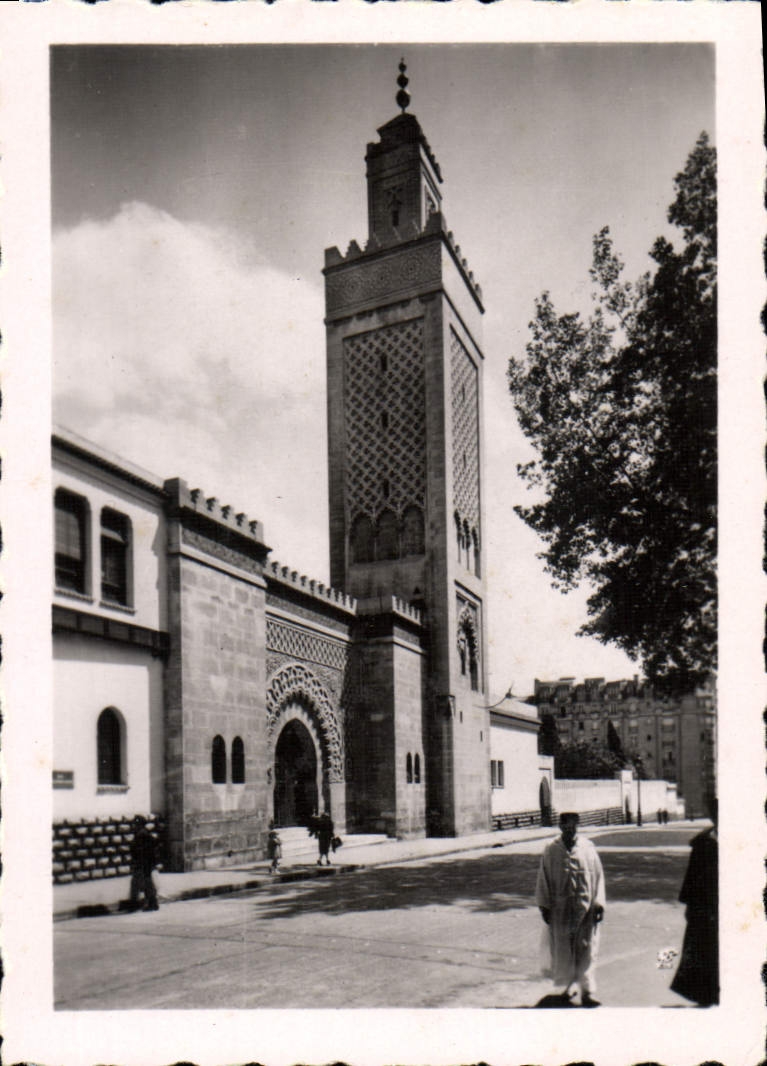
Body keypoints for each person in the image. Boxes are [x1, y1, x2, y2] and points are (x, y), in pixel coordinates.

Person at [536, 812, 605, 1007]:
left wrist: (599, 904)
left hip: (585, 908)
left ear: (577, 826)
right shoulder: (551, 850)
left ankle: (587, 992)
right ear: (560, 827)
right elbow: (543, 879)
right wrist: (545, 906)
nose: (569, 829)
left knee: (587, 949)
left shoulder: (588, 848)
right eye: (566, 826)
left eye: (573, 826)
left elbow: (599, 877)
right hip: (561, 910)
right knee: (563, 950)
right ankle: (566, 988)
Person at [671, 802, 719, 1006]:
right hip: (704, 906)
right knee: (703, 949)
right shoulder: (703, 842)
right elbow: (692, 875)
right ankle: (706, 994)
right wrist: (690, 905)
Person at [129, 815, 159, 912]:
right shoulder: (143, 834)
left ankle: (148, 903)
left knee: (143, 883)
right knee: (145, 883)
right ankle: (151, 903)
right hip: (144, 863)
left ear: (140, 825)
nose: (134, 826)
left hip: (143, 863)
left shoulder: (143, 835)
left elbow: (144, 850)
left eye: (136, 824)